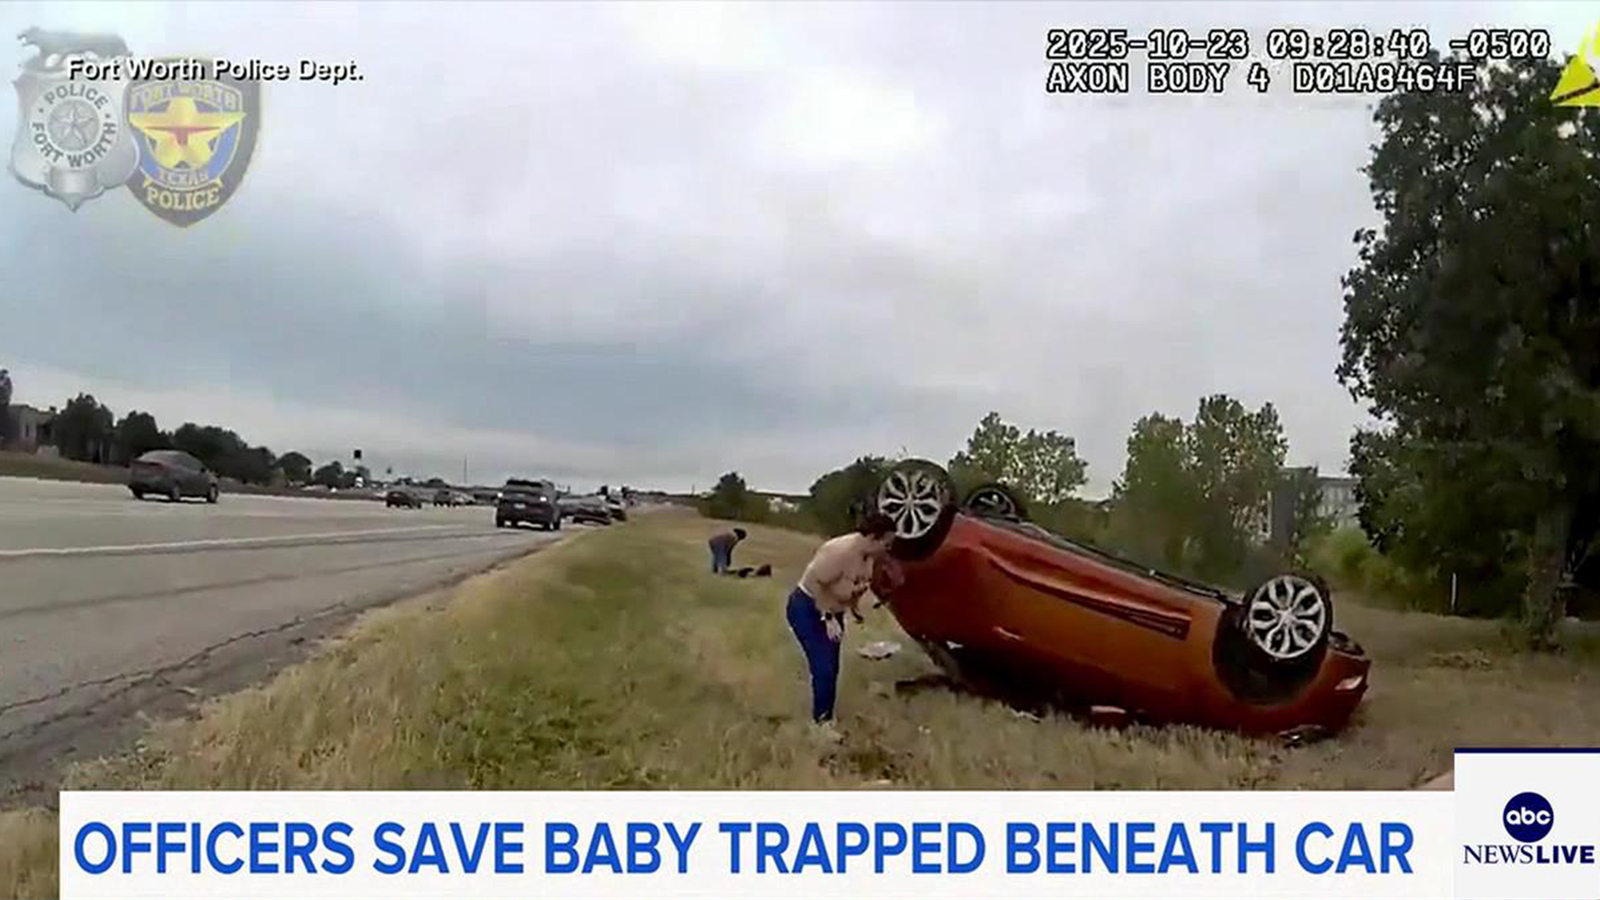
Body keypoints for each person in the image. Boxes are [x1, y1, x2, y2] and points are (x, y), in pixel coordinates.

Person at [785, 511, 897, 742]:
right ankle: (820, 727)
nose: (889, 547)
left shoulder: (869, 554)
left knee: (832, 666)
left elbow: (853, 584)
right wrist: (826, 617)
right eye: (887, 542)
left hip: (833, 612)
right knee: (823, 666)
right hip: (807, 608)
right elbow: (816, 581)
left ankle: (825, 717)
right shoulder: (840, 551)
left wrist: (853, 608)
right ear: (874, 538)